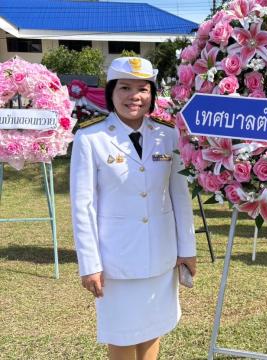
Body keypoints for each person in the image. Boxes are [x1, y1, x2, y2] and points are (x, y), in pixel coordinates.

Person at [70, 57, 196, 360]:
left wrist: (187, 248)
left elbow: (179, 195)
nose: (134, 96)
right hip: (116, 260)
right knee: (122, 333)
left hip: (160, 255)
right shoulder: (91, 137)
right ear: (112, 92)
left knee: (153, 327)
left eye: (143, 89)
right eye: (125, 87)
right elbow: (82, 206)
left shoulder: (169, 135)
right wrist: (89, 264)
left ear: (152, 94)